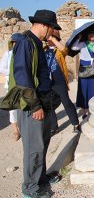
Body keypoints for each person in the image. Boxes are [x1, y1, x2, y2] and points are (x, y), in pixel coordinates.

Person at [3, 10, 62, 198]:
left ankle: (40, 178)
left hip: (43, 102)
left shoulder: (37, 43)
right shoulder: (25, 43)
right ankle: (29, 189)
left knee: (42, 144)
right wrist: (35, 106)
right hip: (32, 106)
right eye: (52, 28)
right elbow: (23, 78)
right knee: (34, 148)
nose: (52, 33)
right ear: (44, 25)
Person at [45, 30, 80, 134]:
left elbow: (65, 50)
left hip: (59, 81)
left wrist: (53, 39)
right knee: (49, 105)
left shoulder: (59, 51)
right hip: (48, 81)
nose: (48, 39)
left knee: (66, 102)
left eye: (50, 37)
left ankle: (75, 123)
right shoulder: (44, 49)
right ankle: (54, 127)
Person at [70, 30, 94, 119]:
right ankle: (84, 112)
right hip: (84, 69)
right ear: (87, 35)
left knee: (93, 90)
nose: (92, 35)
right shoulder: (83, 44)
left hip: (92, 70)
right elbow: (74, 48)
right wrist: (79, 39)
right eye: (90, 33)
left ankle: (92, 110)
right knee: (83, 89)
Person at [0, 34, 21, 141]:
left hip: (22, 85)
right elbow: (1, 68)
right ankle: (16, 130)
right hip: (10, 85)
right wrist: (12, 72)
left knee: (22, 107)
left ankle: (23, 128)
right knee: (12, 109)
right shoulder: (7, 55)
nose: (15, 44)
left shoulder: (23, 55)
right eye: (13, 43)